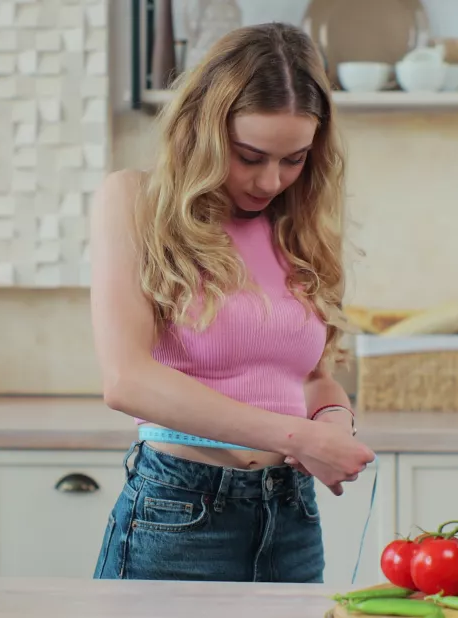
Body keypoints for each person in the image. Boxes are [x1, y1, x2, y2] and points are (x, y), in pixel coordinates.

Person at [88, 22, 376, 584]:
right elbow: (127, 380)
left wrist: (335, 421)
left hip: (290, 517)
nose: (271, 180)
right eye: (250, 155)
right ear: (203, 128)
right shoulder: (134, 202)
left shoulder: (300, 229)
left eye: (293, 160)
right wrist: (299, 436)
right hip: (179, 514)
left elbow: (312, 379)